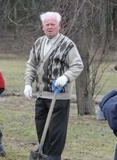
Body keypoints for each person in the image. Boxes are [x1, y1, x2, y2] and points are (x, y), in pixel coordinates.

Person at [24, 12, 84, 160]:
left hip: (59, 96)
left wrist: (65, 77)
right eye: (47, 25)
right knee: (41, 128)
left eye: (52, 24)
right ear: (43, 27)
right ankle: (44, 154)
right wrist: (28, 84)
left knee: (56, 132)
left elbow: (77, 65)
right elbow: (31, 64)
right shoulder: (38, 42)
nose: (50, 27)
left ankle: (54, 157)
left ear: (59, 26)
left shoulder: (68, 44)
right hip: (41, 94)